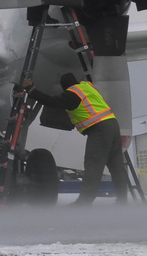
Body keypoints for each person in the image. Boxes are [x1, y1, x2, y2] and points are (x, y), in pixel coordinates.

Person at [22, 73, 129, 205]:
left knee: (93, 165)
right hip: (112, 124)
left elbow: (52, 102)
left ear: (65, 87)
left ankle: (84, 202)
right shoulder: (87, 86)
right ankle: (122, 199)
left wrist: (31, 90)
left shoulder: (72, 94)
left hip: (99, 129)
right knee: (116, 165)